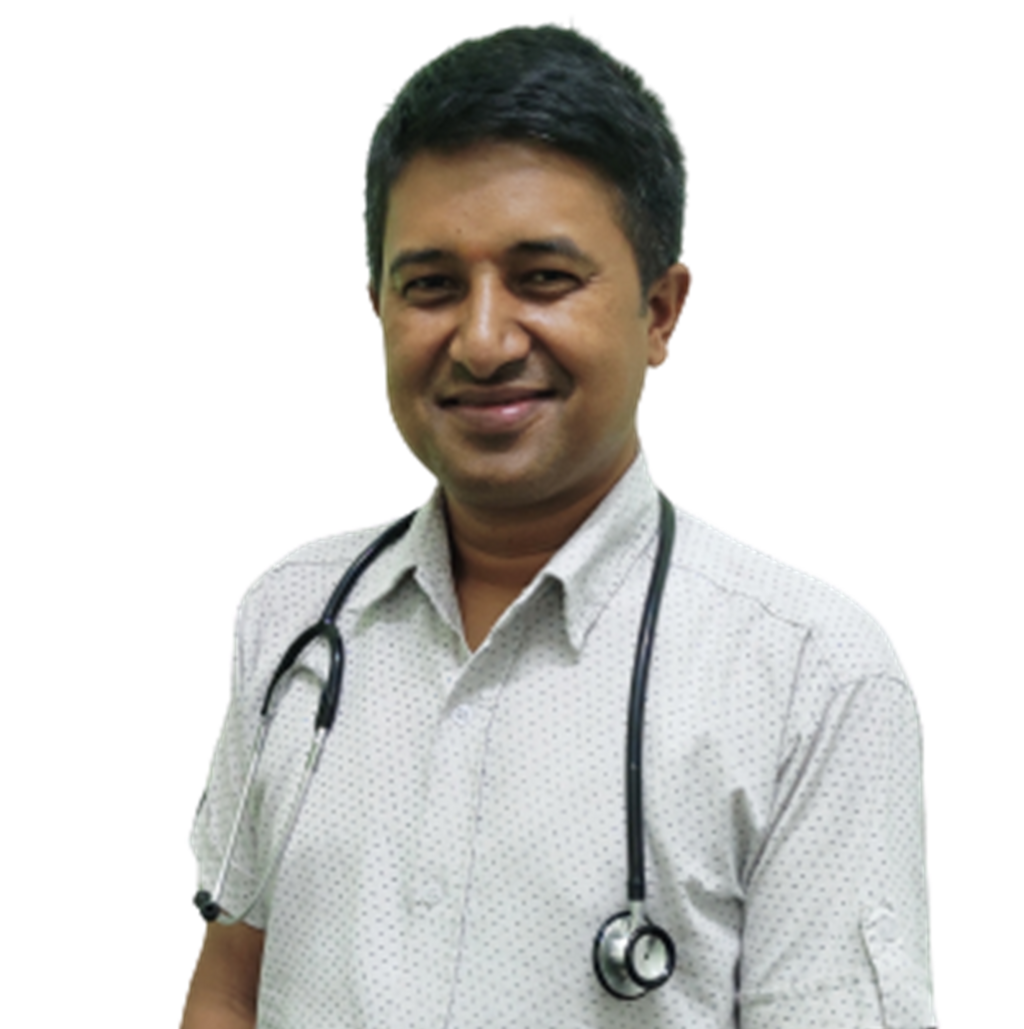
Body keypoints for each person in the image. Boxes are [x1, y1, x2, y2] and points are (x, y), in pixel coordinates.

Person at [182, 21, 938, 1028]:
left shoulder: (810, 672)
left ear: (661, 313)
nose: (483, 340)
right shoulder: (292, 615)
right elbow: (231, 981)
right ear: (376, 310)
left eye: (542, 278)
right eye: (431, 287)